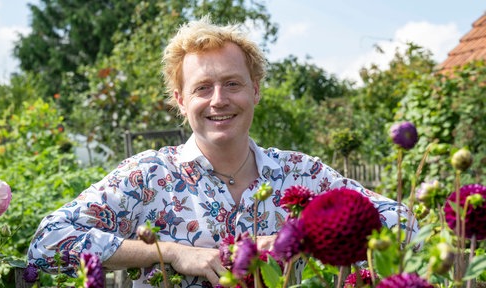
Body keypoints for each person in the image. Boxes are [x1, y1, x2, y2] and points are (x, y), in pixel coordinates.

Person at [27, 16, 418, 287]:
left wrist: (301, 238)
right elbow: (46, 243)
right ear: (180, 101)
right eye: (202, 88)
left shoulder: (301, 174)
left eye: (232, 84)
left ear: (256, 92)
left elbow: (402, 222)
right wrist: (171, 253)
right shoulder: (147, 176)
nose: (219, 100)